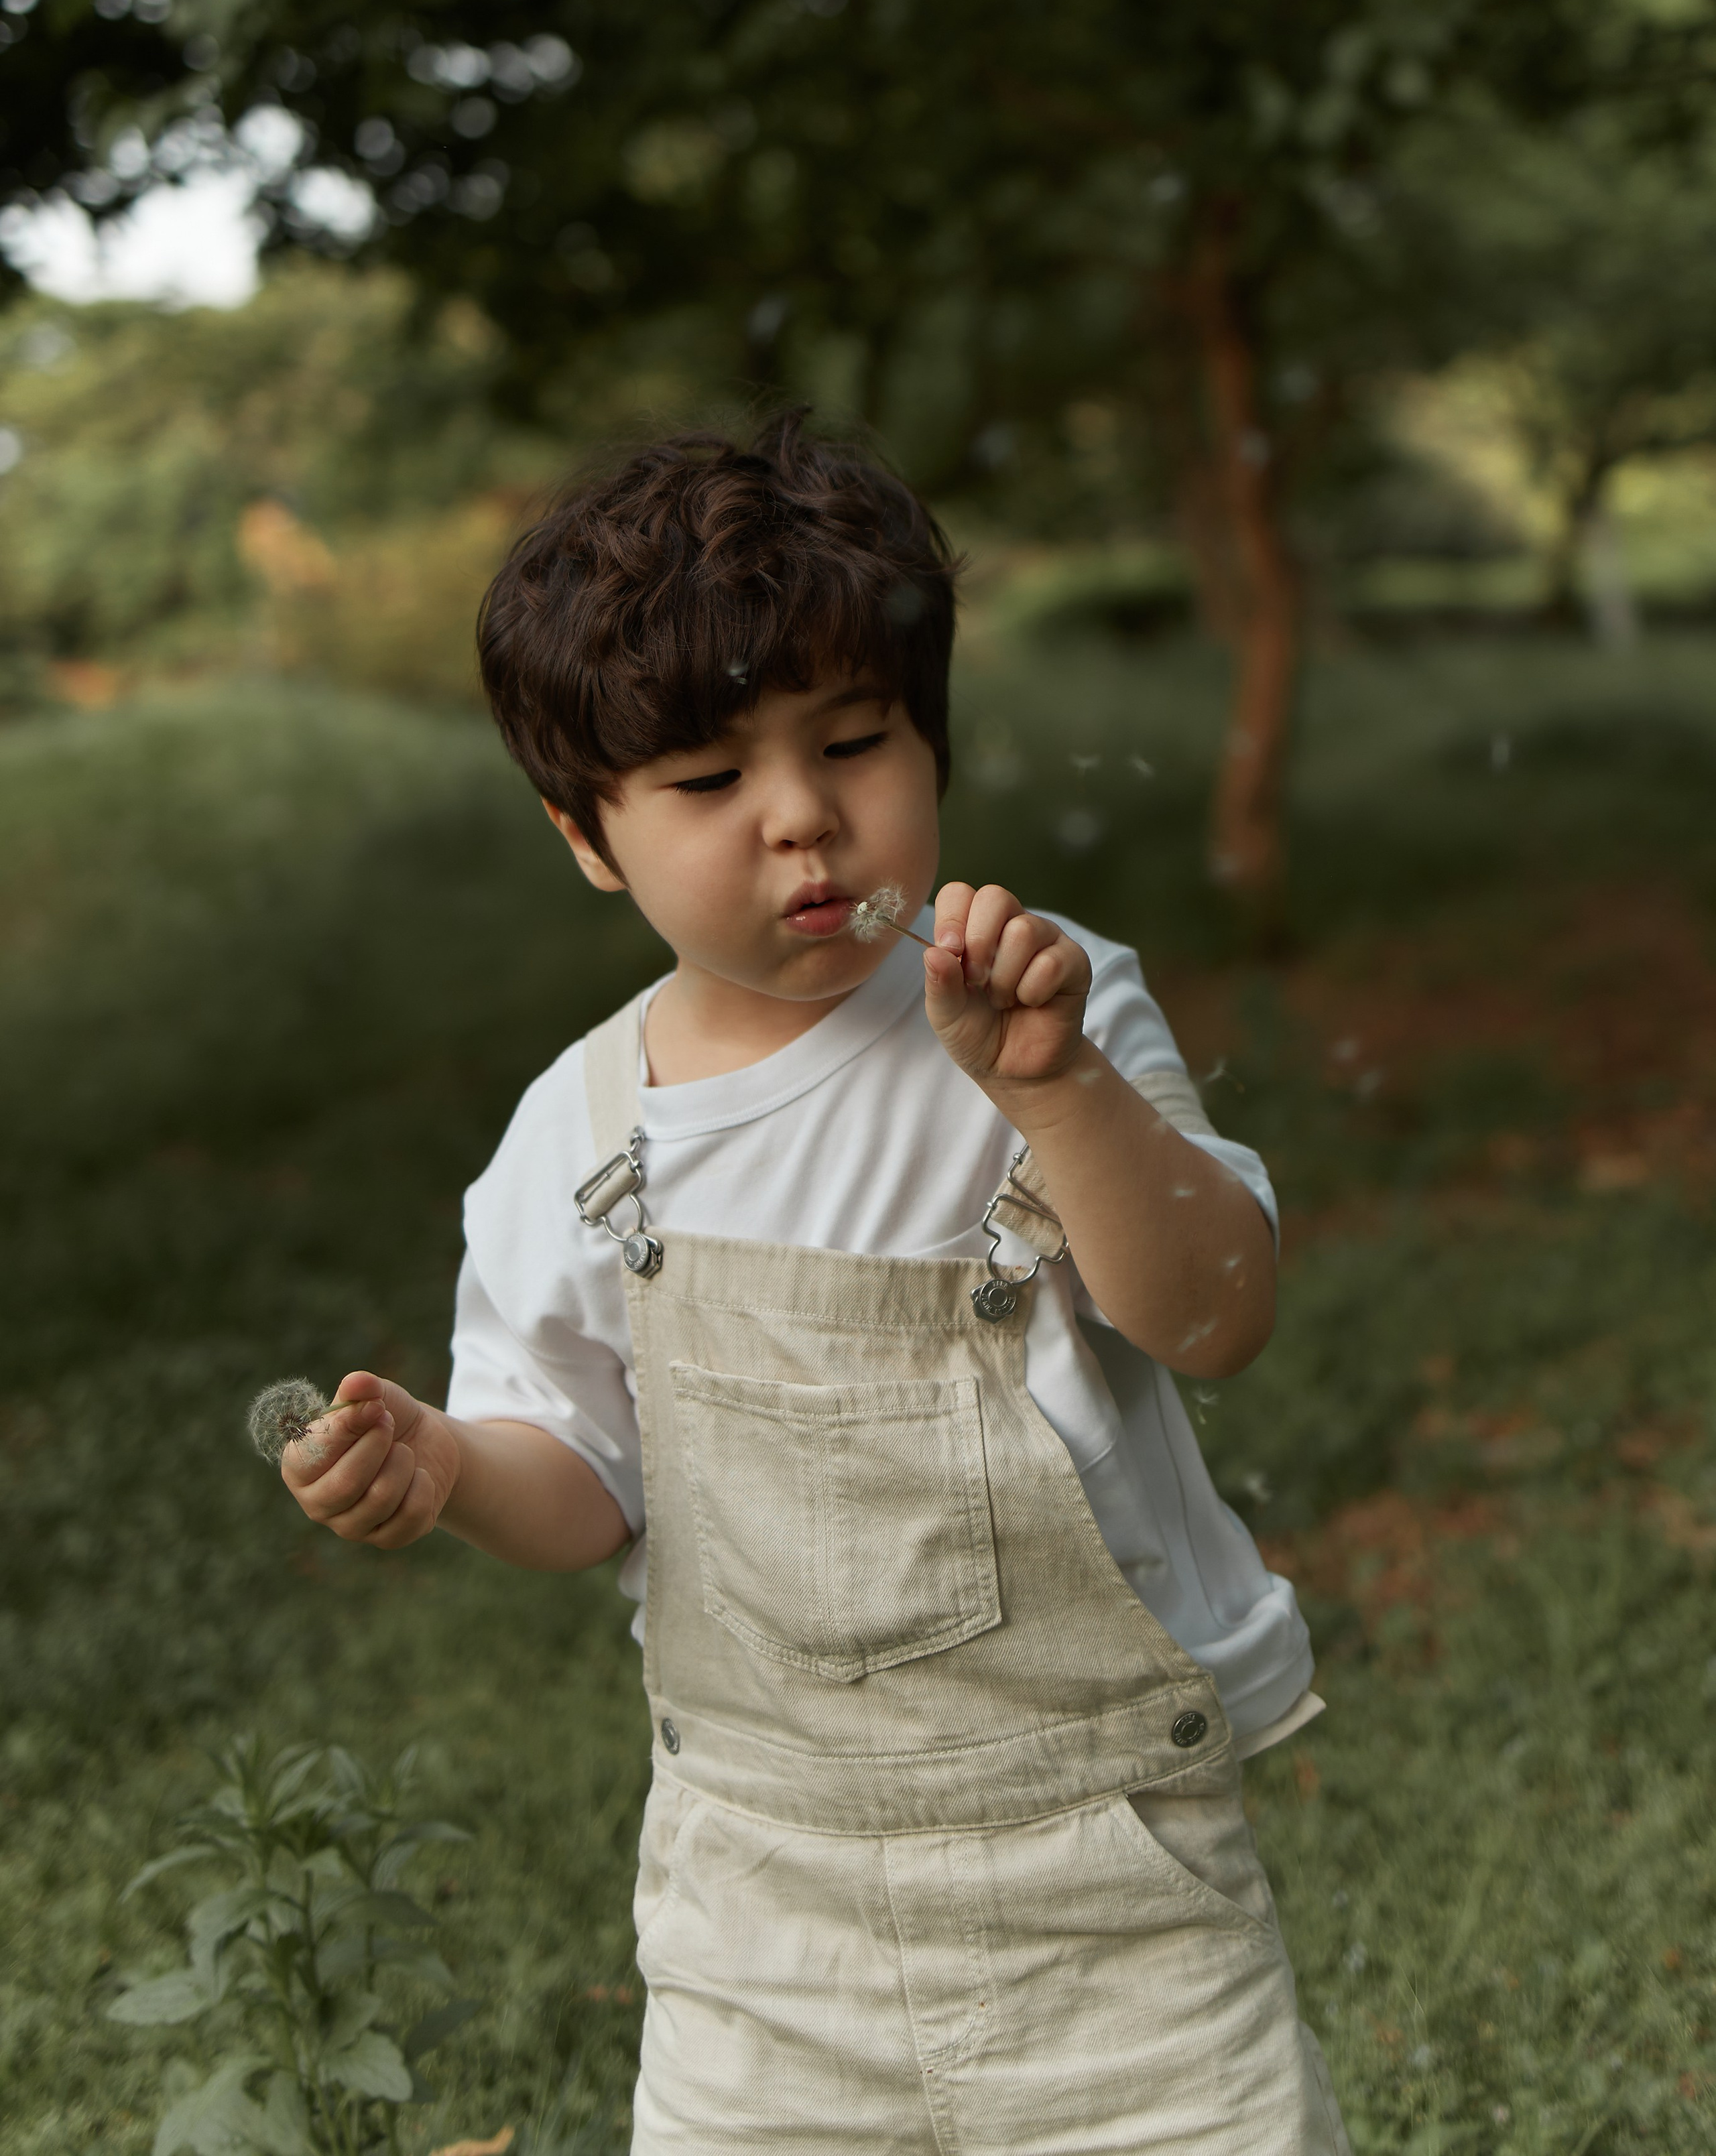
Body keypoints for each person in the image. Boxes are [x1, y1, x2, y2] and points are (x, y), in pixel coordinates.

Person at [278, 414, 1347, 2154]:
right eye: (708, 785)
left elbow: (1217, 1317)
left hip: (1112, 1892)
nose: (803, 820)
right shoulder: (581, 1134)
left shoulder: (1049, 1013)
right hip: (761, 1918)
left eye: (855, 742)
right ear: (587, 836)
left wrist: (1056, 1092)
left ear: (932, 741)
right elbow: (587, 1481)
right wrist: (458, 1469)